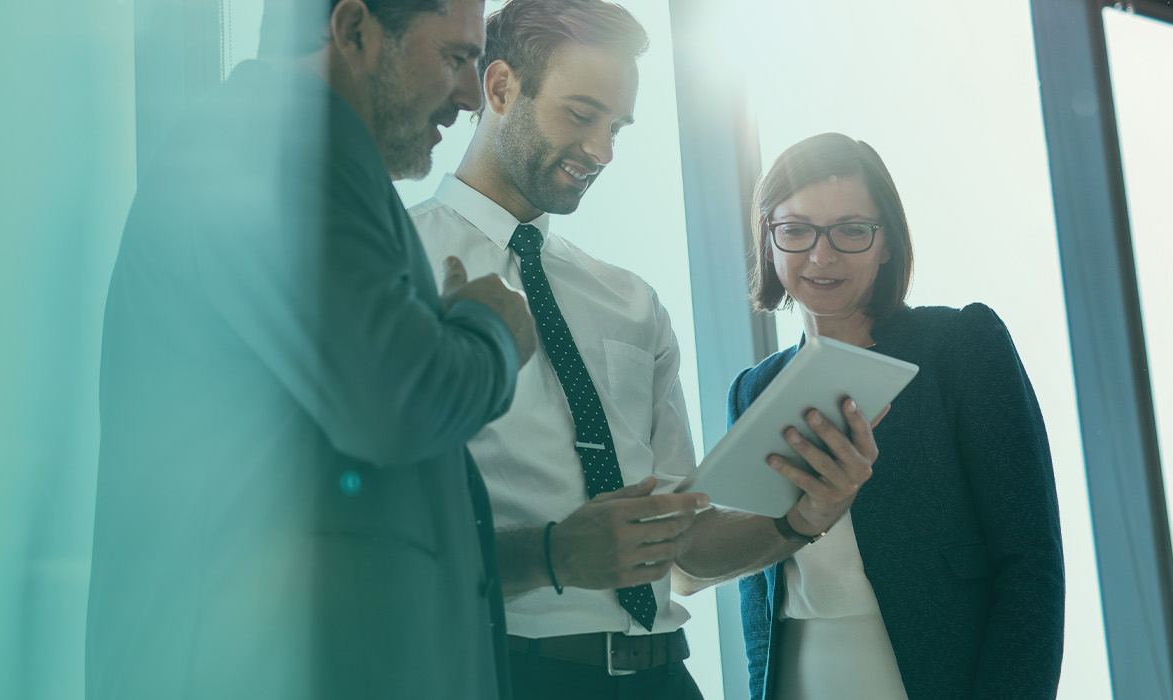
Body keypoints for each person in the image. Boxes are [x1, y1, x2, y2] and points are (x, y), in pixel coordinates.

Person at [411, 4, 882, 698]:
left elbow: (685, 544)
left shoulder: (631, 302)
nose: (602, 151)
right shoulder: (403, 264)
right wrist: (553, 555)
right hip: (511, 673)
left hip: (667, 677)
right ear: (502, 87)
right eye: (581, 114)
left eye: (616, 127)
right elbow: (380, 534)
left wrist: (797, 520)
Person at [85, 1, 539, 698]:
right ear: (354, 30)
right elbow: (397, 398)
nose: (471, 95)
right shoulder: (272, 140)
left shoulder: (291, 148)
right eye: (454, 58)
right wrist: (491, 333)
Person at [727, 133, 1065, 700]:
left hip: (930, 675)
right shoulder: (752, 388)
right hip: (799, 670)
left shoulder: (957, 345)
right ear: (768, 240)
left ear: (887, 244)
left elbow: (1030, 566)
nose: (822, 255)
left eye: (852, 230)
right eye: (796, 229)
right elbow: (759, 591)